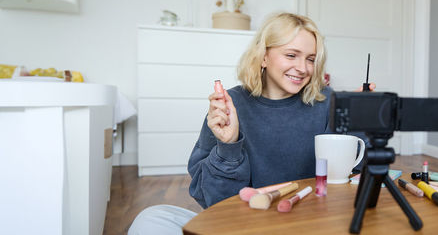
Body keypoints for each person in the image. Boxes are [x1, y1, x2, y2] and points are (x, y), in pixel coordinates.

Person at [128, 12, 374, 234]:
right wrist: (228, 146)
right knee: (150, 221)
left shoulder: (325, 101)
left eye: (311, 59)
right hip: (243, 224)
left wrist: (358, 120)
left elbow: (358, 175)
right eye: (291, 55)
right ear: (264, 56)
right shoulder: (229, 105)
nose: (302, 68)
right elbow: (213, 200)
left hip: (308, 223)